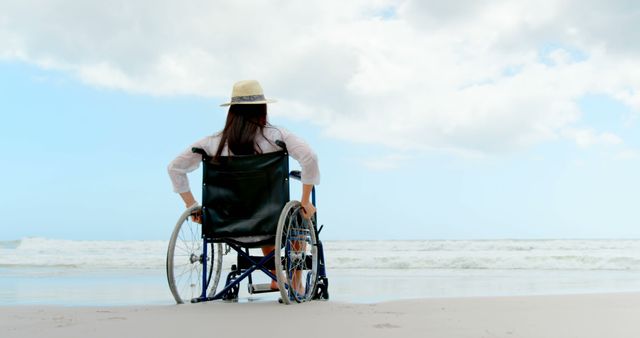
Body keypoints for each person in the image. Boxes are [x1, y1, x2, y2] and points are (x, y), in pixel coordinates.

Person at [167, 79, 320, 290]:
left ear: (231, 112)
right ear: (263, 109)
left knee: (262, 210)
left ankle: (276, 275)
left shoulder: (212, 143)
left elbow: (174, 168)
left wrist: (192, 206)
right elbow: (309, 158)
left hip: (225, 224)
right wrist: (304, 201)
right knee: (292, 216)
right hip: (269, 221)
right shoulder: (277, 136)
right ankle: (294, 282)